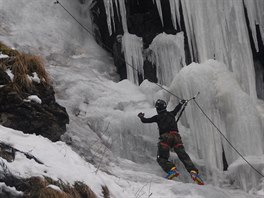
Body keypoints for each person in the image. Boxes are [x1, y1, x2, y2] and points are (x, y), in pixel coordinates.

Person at [138, 99, 204, 185]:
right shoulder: (171, 114)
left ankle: (172, 170)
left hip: (165, 138)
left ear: (157, 109)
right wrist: (181, 103)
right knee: (183, 156)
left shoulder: (157, 117)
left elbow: (145, 120)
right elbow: (177, 109)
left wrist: (141, 116)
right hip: (176, 137)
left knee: (161, 158)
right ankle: (193, 172)